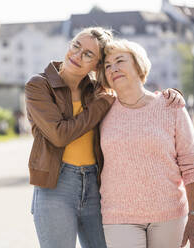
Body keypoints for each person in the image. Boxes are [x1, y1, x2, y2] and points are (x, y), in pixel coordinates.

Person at [25, 27, 184, 248]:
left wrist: (168, 96)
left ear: (97, 65)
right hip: (56, 186)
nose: (77, 55)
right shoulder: (39, 85)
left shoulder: (97, 90)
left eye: (88, 54)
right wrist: (100, 106)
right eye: (76, 46)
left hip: (96, 187)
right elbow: (59, 135)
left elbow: (134, 95)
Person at [100, 39, 194, 248]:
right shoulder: (101, 110)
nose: (113, 68)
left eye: (119, 61)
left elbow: (191, 163)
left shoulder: (171, 106)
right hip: (118, 216)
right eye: (107, 65)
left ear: (138, 65)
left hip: (169, 214)